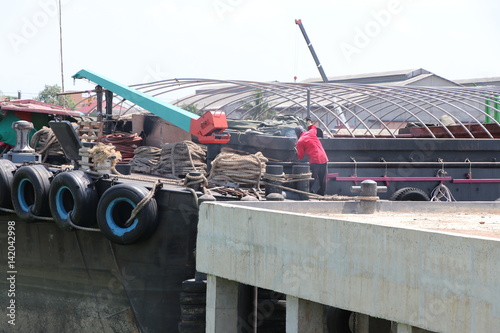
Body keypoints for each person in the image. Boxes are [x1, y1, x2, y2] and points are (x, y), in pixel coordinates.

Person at [295, 121, 328, 195]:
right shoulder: (311, 132)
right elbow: (313, 127)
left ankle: (307, 191)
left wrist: (296, 153)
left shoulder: (300, 141)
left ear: (297, 134)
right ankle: (322, 193)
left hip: (315, 159)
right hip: (324, 157)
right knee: (322, 178)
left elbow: (301, 156)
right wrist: (309, 123)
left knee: (313, 177)